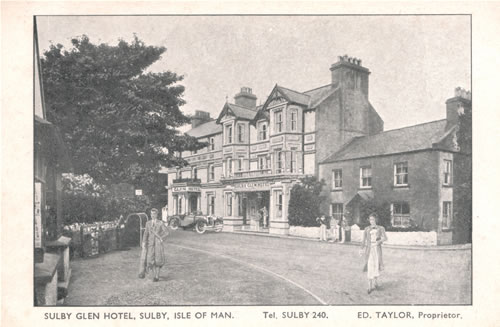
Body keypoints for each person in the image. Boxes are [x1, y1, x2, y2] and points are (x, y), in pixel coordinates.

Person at [138, 208, 169, 282]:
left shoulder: (160, 223)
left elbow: (167, 232)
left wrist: (161, 238)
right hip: (150, 245)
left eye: (154, 214)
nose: (153, 215)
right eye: (151, 214)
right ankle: (154, 274)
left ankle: (157, 276)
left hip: (158, 245)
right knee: (150, 261)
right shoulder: (148, 223)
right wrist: (144, 242)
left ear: (157, 214)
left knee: (158, 260)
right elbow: (145, 234)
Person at [360, 213, 387, 294]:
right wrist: (361, 249)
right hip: (369, 249)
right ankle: (369, 286)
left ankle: (376, 283)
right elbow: (364, 240)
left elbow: (385, 238)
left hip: (377, 249)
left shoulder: (381, 228)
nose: (371, 221)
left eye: (373, 219)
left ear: (376, 220)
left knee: (376, 265)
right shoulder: (366, 229)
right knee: (370, 265)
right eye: (370, 219)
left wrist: (378, 242)